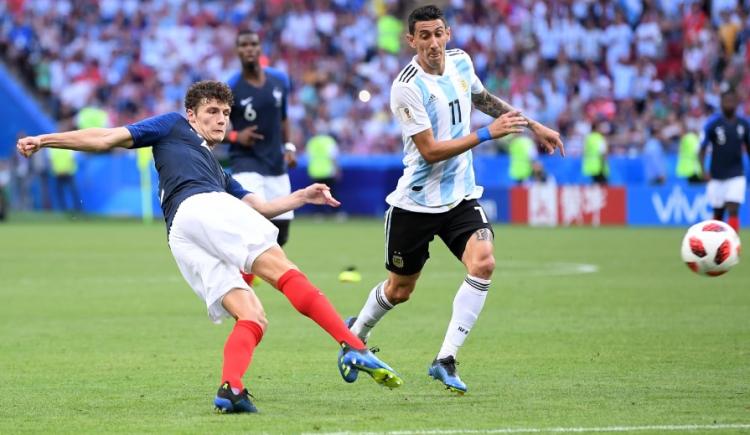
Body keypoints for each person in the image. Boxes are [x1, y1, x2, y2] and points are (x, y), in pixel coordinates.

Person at [17, 80, 402, 414]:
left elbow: (262, 206)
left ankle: (231, 389)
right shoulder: (171, 126)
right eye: (212, 111)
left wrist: (302, 195)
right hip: (200, 208)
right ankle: (352, 344)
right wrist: (46, 139)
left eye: (225, 112)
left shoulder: (217, 169)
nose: (221, 119)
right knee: (281, 268)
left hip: (181, 234)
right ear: (191, 115)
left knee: (252, 315)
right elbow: (106, 138)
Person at [345, 5, 564, 395]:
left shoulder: (461, 62)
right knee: (400, 290)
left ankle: (444, 359)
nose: (433, 43)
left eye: (438, 33)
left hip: (461, 195)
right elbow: (429, 151)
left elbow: (483, 99)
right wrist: (486, 135)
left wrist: (533, 126)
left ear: (448, 33)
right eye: (424, 36)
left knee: (484, 263)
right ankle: (355, 335)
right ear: (411, 40)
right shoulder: (406, 86)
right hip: (415, 203)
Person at [226, 30, 297, 285]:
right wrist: (236, 136)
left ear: (260, 48)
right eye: (243, 45)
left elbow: (284, 117)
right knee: (253, 221)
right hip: (246, 163)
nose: (249, 49)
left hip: (275, 164)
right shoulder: (231, 86)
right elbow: (215, 126)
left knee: (282, 231)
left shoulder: (279, 80)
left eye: (253, 44)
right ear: (237, 51)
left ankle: (249, 271)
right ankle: (239, 281)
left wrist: (289, 146)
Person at [699, 86, 750, 232]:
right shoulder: (713, 124)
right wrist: (704, 170)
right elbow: (702, 149)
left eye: (732, 101)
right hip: (716, 175)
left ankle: (732, 244)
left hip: (736, 174)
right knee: (718, 213)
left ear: (736, 103)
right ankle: (716, 248)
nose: (729, 104)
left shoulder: (744, 124)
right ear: (721, 103)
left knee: (733, 208)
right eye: (726, 101)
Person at [305, 128, 340, 216]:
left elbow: (308, 156)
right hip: (328, 171)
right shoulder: (329, 141)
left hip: (315, 171)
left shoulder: (312, 141)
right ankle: (335, 212)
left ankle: (319, 213)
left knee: (316, 194)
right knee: (331, 192)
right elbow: (333, 157)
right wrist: (337, 169)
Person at [582, 120, 609, 184]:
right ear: (597, 128)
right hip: (599, 165)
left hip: (590, 166)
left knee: (594, 184)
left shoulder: (588, 138)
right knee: (603, 185)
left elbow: (584, 151)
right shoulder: (599, 138)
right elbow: (603, 152)